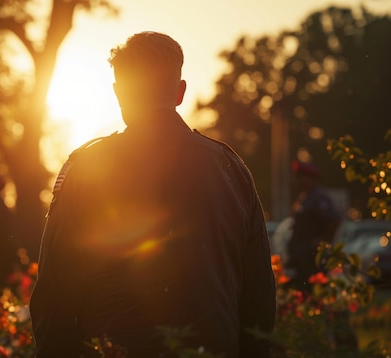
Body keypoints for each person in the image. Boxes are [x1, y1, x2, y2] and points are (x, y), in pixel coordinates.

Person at [30, 31, 276, 357]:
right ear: (180, 92)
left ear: (119, 93)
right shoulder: (231, 170)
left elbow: (55, 297)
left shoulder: (86, 169)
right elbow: (259, 300)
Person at [285, 161, 341, 292]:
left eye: (300, 177)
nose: (297, 180)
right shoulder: (304, 197)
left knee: (314, 293)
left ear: (310, 178)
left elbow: (334, 220)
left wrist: (322, 240)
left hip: (312, 259)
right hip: (301, 257)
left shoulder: (319, 197)